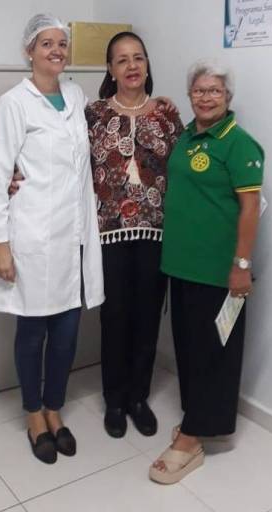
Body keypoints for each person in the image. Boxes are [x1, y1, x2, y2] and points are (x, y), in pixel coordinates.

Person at [0, 13, 104, 465]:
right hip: (31, 234)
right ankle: (33, 414)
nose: (57, 50)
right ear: (29, 51)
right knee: (33, 330)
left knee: (68, 331)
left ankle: (55, 408)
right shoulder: (14, 102)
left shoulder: (75, 95)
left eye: (62, 43)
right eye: (46, 43)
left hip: (73, 235)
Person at [149, 60, 264, 484]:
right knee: (190, 349)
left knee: (214, 354)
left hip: (219, 273)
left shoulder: (240, 144)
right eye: (199, 90)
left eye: (215, 90)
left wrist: (242, 266)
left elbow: (250, 209)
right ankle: (197, 419)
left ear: (228, 96)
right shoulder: (186, 137)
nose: (206, 97)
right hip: (181, 266)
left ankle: (191, 439)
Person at [85, 32, 184, 439]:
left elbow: (183, 170)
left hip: (155, 232)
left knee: (146, 317)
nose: (131, 66)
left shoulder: (166, 115)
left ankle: (138, 398)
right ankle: (114, 399)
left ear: (147, 65)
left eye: (138, 58)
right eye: (122, 59)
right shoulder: (92, 114)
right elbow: (65, 160)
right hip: (108, 234)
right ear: (110, 69)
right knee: (114, 317)